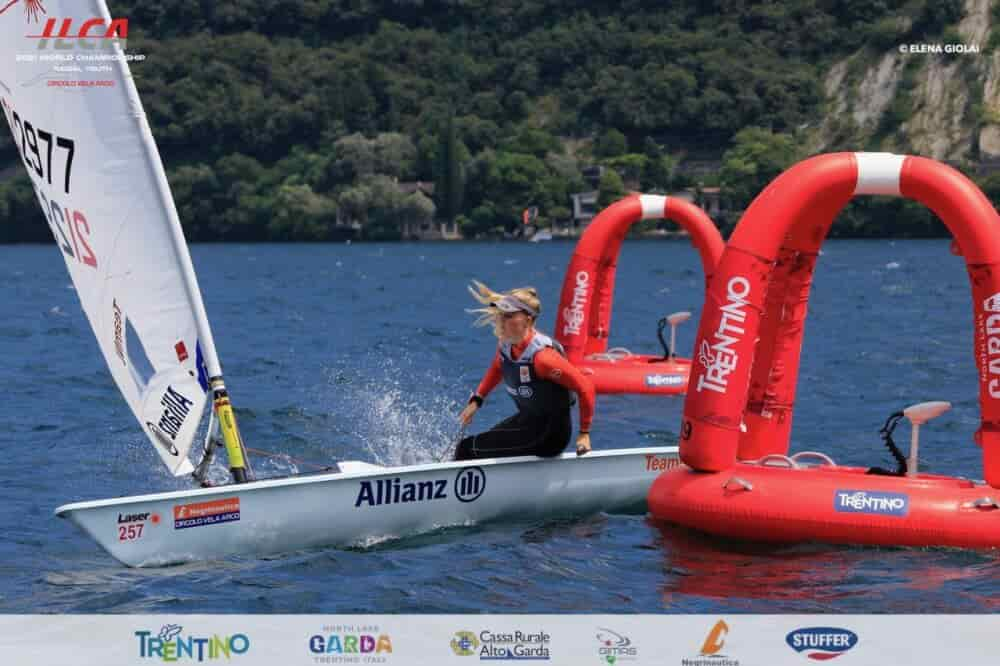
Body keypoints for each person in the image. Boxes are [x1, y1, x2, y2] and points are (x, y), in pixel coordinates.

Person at [455, 280, 595, 460]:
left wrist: (584, 434)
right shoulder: (506, 345)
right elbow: (498, 368)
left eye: (508, 316)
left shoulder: (543, 358)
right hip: (527, 422)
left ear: (527, 320)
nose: (500, 320)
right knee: (478, 446)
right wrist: (477, 400)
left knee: (467, 449)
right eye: (501, 314)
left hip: (549, 435)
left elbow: (586, 387)